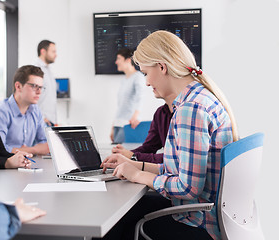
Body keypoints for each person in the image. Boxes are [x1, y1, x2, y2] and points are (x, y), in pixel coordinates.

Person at [101, 30, 238, 240]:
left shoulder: (190, 110)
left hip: (197, 222)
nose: (146, 82)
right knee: (123, 213)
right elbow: (182, 169)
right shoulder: (199, 97)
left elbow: (188, 188)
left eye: (146, 73)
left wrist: (138, 175)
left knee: (115, 223)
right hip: (204, 213)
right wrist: (136, 165)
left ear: (162, 67)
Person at [0, 65, 50, 155]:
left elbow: (46, 144)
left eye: (41, 87)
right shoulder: (1, 111)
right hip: (4, 165)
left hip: (27, 164)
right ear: (18, 86)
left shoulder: (35, 110)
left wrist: (25, 150)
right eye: (34, 86)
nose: (39, 92)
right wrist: (33, 150)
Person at [110, 48, 146, 144]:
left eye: (119, 59)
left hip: (128, 123)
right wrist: (113, 126)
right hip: (118, 123)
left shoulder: (138, 77)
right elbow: (120, 106)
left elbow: (140, 98)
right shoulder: (125, 80)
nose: (116, 62)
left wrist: (135, 117)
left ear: (128, 60)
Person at [34, 40, 57, 126]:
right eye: (53, 51)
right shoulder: (36, 70)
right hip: (41, 121)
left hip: (50, 121)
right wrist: (42, 117)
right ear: (43, 51)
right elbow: (31, 97)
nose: (56, 55)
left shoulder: (48, 70)